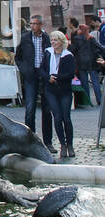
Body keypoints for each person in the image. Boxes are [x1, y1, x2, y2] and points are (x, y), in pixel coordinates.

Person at [14, 14, 54, 152]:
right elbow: (17, 56)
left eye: (35, 23)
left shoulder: (47, 38)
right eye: (31, 23)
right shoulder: (25, 38)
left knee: (47, 110)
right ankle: (30, 140)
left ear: (41, 25)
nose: (32, 26)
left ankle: (48, 142)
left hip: (44, 76)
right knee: (30, 108)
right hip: (31, 76)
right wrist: (24, 70)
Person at [41, 30, 77, 160]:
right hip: (51, 89)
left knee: (66, 118)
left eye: (55, 40)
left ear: (62, 42)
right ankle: (62, 144)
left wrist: (57, 77)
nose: (53, 42)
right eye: (52, 40)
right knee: (57, 117)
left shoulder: (68, 56)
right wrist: (48, 78)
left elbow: (71, 74)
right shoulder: (48, 52)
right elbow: (42, 69)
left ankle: (70, 145)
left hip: (64, 89)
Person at [70, 23, 101, 106]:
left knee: (84, 82)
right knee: (95, 81)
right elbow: (99, 47)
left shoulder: (77, 38)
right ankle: (99, 99)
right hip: (92, 61)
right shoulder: (91, 38)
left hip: (81, 62)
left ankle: (87, 100)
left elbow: (73, 49)